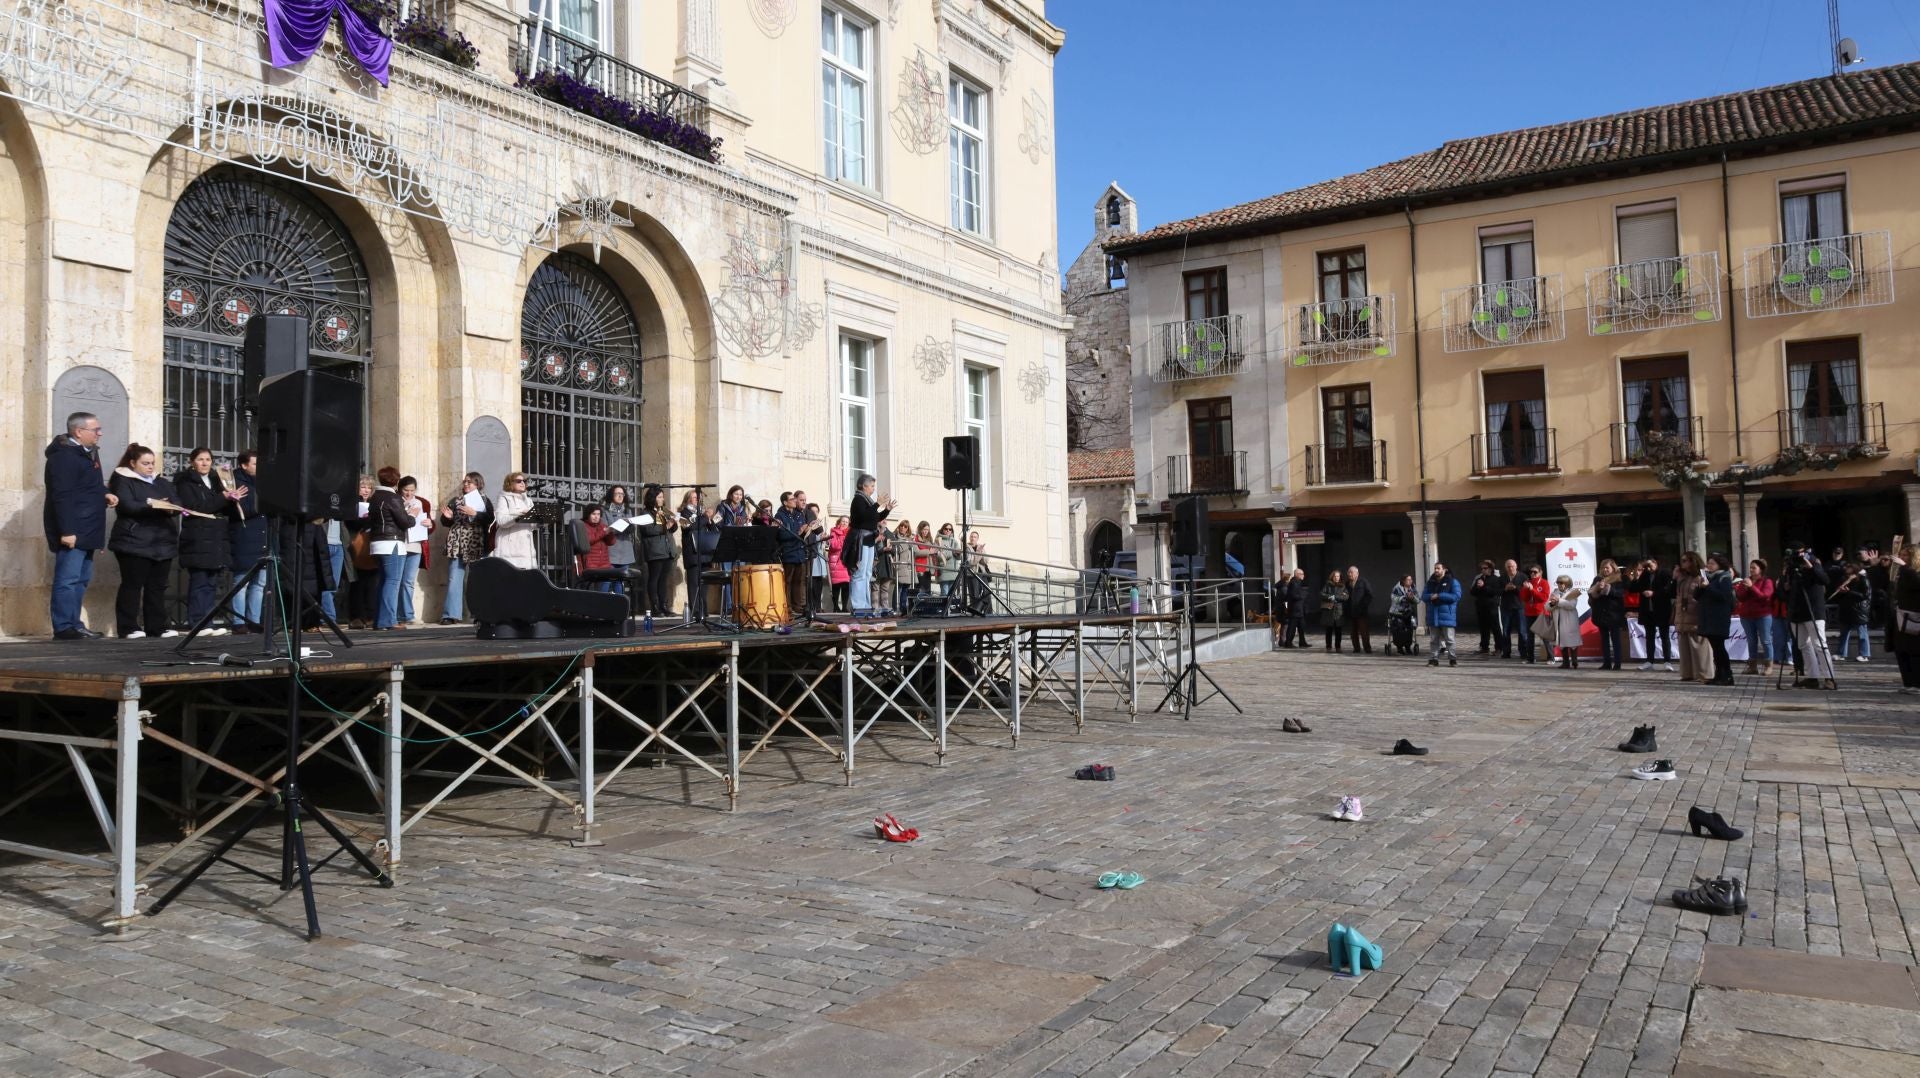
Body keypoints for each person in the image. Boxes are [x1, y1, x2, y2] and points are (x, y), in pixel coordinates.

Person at [43, 412, 117, 639]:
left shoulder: (87, 453)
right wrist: (67, 531)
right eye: (96, 430)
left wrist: (105, 493)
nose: (100, 433)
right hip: (74, 529)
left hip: (88, 527)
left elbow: (86, 487)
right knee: (68, 580)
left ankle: (74, 624)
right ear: (78, 431)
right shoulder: (63, 457)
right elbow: (62, 496)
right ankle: (64, 626)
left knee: (81, 579)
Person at [106, 444, 180, 640]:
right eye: (145, 463)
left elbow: (176, 500)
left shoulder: (161, 481)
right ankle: (128, 627)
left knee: (157, 586)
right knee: (132, 585)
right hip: (133, 542)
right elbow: (127, 505)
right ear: (133, 463)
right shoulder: (122, 480)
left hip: (162, 541)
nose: (150, 467)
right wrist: (153, 505)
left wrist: (171, 507)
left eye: (152, 463)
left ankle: (157, 627)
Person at [172, 447, 243, 636]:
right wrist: (223, 498)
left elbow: (222, 507)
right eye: (200, 459)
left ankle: (208, 620)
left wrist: (233, 500)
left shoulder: (216, 481)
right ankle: (197, 621)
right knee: (199, 581)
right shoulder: (185, 482)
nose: (205, 463)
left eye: (208, 460)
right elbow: (197, 507)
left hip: (216, 538)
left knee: (212, 582)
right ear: (192, 462)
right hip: (198, 538)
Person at [439, 472, 494, 623]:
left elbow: (490, 519)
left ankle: (479, 614)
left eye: (470, 482)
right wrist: (446, 517)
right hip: (457, 541)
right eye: (465, 482)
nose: (466, 484)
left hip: (476, 541)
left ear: (478, 484)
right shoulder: (455, 500)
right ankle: (451, 615)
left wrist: (475, 513)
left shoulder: (484, 500)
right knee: (454, 578)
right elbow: (446, 522)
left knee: (477, 579)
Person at [1783, 543, 1835, 689]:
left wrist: (1810, 567)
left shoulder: (1814, 562)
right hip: (1797, 611)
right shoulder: (1792, 567)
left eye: (1800, 553)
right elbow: (1785, 589)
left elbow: (1825, 580)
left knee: (1819, 644)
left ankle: (1829, 677)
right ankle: (1812, 677)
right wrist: (1785, 585)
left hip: (1814, 611)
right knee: (1803, 645)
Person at [226, 450, 266, 632]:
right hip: (244, 538)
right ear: (244, 465)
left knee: (259, 584)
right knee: (242, 582)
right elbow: (242, 511)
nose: (259, 467)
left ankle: (254, 620)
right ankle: (238, 621)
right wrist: (265, 503)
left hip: (264, 539)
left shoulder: (264, 482)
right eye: (255, 464)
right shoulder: (235, 483)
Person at [843, 474, 894, 613]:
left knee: (866, 574)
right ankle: (858, 605)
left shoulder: (867, 501)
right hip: (860, 540)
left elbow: (875, 518)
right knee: (859, 573)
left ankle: (864, 605)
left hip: (869, 540)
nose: (873, 489)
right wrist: (877, 504)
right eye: (871, 486)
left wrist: (887, 510)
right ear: (864, 486)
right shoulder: (858, 500)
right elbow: (864, 516)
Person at [342, 475, 381, 628]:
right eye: (363, 487)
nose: (366, 490)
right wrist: (368, 519)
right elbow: (351, 522)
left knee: (372, 583)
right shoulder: (351, 504)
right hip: (354, 546)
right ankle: (356, 616)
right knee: (356, 582)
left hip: (371, 546)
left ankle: (371, 615)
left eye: (369, 488)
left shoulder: (374, 503)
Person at [636, 483, 679, 616]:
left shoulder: (664, 511)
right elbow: (648, 530)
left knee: (663, 579)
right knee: (654, 578)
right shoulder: (645, 513)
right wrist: (667, 526)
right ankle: (654, 607)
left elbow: (670, 529)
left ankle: (664, 606)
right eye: (659, 497)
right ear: (653, 498)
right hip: (655, 550)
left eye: (662, 497)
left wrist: (673, 523)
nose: (662, 499)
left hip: (667, 549)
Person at [678, 489, 721, 620]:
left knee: (704, 584)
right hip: (693, 553)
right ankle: (695, 612)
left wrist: (710, 520)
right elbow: (691, 527)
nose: (697, 499)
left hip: (705, 553)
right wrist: (704, 517)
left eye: (698, 497)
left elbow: (713, 530)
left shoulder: (702, 513)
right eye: (694, 497)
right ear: (688, 499)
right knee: (693, 584)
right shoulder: (684, 512)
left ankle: (703, 610)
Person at [1697, 552, 1738, 685]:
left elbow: (1724, 596)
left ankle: (1727, 675)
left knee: (1719, 647)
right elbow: (1697, 596)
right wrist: (1700, 586)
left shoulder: (1724, 577)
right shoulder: (1708, 578)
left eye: (1712, 563)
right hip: (1708, 617)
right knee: (1715, 647)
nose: (1709, 566)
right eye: (1708, 563)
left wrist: (1708, 587)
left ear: (1719, 565)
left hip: (1719, 617)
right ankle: (1718, 674)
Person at [1673, 552, 1712, 684]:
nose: (1682, 563)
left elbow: (1706, 594)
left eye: (1685, 561)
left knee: (1699, 646)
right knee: (1684, 647)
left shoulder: (1701, 576)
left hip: (1696, 614)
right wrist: (1674, 578)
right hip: (1682, 615)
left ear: (1692, 561)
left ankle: (1704, 673)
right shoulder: (1682, 577)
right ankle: (1687, 673)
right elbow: (1673, 593)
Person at [1888, 539, 1919, 694]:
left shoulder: (1913, 572)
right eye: (1901, 555)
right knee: (1901, 651)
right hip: (1900, 615)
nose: (1903, 558)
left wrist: (1905, 567)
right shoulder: (1903, 573)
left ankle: (1916, 684)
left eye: (1906, 555)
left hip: (1914, 617)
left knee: (1914, 652)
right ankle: (1908, 683)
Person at [1733, 559, 1775, 675]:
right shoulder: (1746, 581)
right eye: (1750, 567)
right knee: (1751, 641)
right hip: (1747, 615)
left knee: (1766, 640)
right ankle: (1752, 666)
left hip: (1763, 615)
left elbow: (1765, 597)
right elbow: (1741, 597)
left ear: (1760, 569)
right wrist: (1745, 589)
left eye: (1754, 568)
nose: (1751, 570)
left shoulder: (1767, 581)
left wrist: (1752, 587)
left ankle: (1768, 665)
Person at [774, 491, 812, 617]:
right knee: (787, 581)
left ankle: (798, 605)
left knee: (799, 581)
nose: (795, 501)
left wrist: (806, 530)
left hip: (799, 551)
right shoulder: (780, 516)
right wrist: (799, 531)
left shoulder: (798, 515)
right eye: (792, 499)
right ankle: (787, 606)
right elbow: (782, 534)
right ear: (785, 502)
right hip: (788, 552)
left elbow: (801, 533)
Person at [492, 472, 538, 571]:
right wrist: (519, 516)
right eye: (518, 481)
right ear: (510, 483)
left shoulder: (528, 501)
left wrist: (539, 520)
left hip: (526, 548)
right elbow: (501, 521)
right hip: (509, 548)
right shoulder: (503, 498)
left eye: (524, 481)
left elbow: (532, 526)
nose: (522, 483)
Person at [1587, 560, 1625, 670]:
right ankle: (1606, 662)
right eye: (1603, 567)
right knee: (1604, 640)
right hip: (1601, 614)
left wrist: (1608, 588)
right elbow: (1590, 593)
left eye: (1607, 567)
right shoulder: (1598, 579)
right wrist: (1597, 588)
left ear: (1613, 568)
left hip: (1614, 614)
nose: (1605, 569)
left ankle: (1617, 663)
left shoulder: (1618, 578)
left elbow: (1621, 593)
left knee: (1616, 639)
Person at [599, 485, 636, 599]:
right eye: (617, 494)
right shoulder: (604, 510)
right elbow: (605, 529)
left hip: (625, 551)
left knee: (620, 582)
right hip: (611, 551)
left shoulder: (627, 510)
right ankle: (601, 607)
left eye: (622, 494)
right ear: (611, 495)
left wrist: (627, 524)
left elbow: (632, 528)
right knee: (606, 581)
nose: (620, 496)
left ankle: (619, 608)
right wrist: (618, 526)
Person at [1422, 562, 1462, 666]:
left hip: (1447, 615)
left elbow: (1456, 596)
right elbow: (1424, 596)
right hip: (1433, 615)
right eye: (1435, 568)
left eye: (1438, 568)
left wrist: (1439, 596)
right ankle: (1433, 659)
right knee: (1434, 640)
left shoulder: (1453, 582)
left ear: (1444, 570)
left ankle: (1452, 659)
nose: (1436, 570)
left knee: (1450, 639)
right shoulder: (1430, 582)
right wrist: (1431, 596)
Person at [1833, 560, 1873, 662]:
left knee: (1862, 633)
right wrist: (1841, 591)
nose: (1846, 569)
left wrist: (1849, 592)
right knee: (1844, 633)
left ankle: (1864, 654)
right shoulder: (1844, 579)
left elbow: (1865, 595)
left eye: (1849, 567)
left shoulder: (1863, 579)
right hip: (1846, 609)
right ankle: (1841, 653)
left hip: (1859, 611)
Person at [1639, 556, 1675, 671]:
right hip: (1647, 610)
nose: (1648, 569)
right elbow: (1635, 587)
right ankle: (1649, 660)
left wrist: (1654, 593)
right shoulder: (1645, 574)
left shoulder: (1664, 573)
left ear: (1655, 563)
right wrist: (1638, 575)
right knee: (1649, 636)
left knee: (1664, 636)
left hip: (1661, 609)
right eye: (1646, 567)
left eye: (1649, 565)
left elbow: (1669, 590)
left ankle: (1667, 661)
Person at [1770, 559, 1800, 678]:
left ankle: (1789, 657)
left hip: (1787, 611)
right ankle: (1778, 657)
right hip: (1777, 611)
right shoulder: (1779, 580)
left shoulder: (1792, 580)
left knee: (1789, 637)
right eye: (1784, 568)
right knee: (1778, 636)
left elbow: (1785, 595)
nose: (1784, 571)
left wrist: (1779, 589)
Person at [578, 504, 618, 588]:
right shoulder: (583, 526)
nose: (596, 517)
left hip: (605, 565)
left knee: (603, 591)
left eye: (598, 514)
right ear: (588, 514)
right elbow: (588, 540)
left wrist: (610, 533)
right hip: (591, 565)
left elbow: (611, 542)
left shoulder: (603, 526)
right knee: (591, 592)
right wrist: (604, 532)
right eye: (593, 514)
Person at [1470, 560, 1505, 654]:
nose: (1483, 570)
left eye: (1485, 568)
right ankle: (1484, 647)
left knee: (1495, 627)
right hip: (1481, 606)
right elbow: (1472, 592)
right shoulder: (1479, 578)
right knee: (1483, 628)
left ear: (1490, 569)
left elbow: (1497, 592)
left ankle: (1499, 647)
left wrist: (1484, 586)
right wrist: (1477, 587)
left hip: (1492, 606)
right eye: (1481, 568)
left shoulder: (1495, 579)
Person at [1549, 574, 1583, 669]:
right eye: (1558, 582)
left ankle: (1575, 661)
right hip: (1558, 620)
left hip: (1570, 621)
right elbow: (1547, 606)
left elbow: (1572, 605)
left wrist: (1558, 601)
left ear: (1567, 583)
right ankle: (1566, 662)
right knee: (1562, 642)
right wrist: (1552, 603)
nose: (1559, 584)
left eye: (1561, 582)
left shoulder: (1573, 592)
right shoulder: (1554, 592)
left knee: (1572, 642)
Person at [1517, 564, 1549, 664]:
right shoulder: (1528, 583)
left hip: (1540, 612)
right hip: (1529, 612)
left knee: (1544, 636)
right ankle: (1530, 658)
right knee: (1530, 637)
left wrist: (1532, 590)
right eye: (1531, 572)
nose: (1532, 574)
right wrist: (1526, 589)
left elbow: (1543, 598)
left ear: (1540, 573)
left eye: (1535, 572)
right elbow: (1524, 598)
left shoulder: (1544, 583)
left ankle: (1551, 657)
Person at [1497, 558, 1524, 659]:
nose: (1510, 568)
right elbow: (1497, 591)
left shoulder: (1522, 576)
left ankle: (1523, 652)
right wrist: (1505, 589)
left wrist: (1516, 588)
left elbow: (1526, 591)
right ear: (1505, 568)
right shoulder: (1502, 578)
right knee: (1506, 631)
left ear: (1516, 567)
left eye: (1512, 566)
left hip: (1519, 607)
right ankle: (1506, 652)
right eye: (1508, 567)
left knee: (1522, 631)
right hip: (1506, 607)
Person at [1344, 566, 1375, 654]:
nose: (1349, 574)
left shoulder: (1363, 582)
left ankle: (1367, 648)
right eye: (1348, 572)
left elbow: (1369, 595)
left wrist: (1363, 605)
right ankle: (1356, 648)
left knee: (1364, 631)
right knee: (1353, 632)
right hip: (1351, 611)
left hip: (1362, 612)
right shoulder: (1347, 584)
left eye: (1351, 572)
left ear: (1357, 573)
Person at [889, 522, 918, 612]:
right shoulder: (895, 537)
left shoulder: (909, 539)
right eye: (901, 526)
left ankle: (903, 609)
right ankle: (895, 608)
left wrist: (912, 541)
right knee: (898, 587)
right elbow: (897, 550)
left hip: (908, 567)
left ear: (907, 529)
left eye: (905, 527)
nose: (903, 528)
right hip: (900, 566)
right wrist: (908, 543)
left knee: (906, 588)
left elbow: (916, 551)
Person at [1388, 574, 1419, 655]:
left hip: (1408, 612)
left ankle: (1408, 646)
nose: (1410, 581)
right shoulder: (1397, 588)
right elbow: (1393, 598)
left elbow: (1418, 600)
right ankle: (1399, 647)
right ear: (1403, 581)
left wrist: (1412, 598)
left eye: (1411, 579)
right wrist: (1404, 598)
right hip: (1397, 612)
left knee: (1409, 629)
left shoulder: (1413, 588)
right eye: (1408, 580)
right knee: (1399, 629)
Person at [1319, 570, 1349, 652]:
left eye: (1338, 576)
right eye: (1335, 576)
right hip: (1329, 611)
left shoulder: (1343, 586)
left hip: (1339, 611)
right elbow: (1322, 594)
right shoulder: (1328, 585)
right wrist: (1329, 597)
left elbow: (1346, 597)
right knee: (1328, 631)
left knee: (1338, 631)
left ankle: (1338, 647)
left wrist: (1336, 597)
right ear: (1332, 577)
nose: (1337, 578)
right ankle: (1328, 647)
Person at [1282, 567, 1310, 647]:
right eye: (1302, 574)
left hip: (1299, 609)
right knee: (1292, 627)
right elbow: (1293, 595)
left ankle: (1302, 642)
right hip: (1295, 609)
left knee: (1301, 627)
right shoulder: (1294, 583)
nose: (1303, 575)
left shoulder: (1298, 582)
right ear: (1297, 575)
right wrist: (1303, 596)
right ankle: (1288, 642)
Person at [827, 517, 851, 612]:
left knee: (846, 585)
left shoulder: (850, 533)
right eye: (843, 521)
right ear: (839, 522)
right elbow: (834, 546)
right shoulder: (834, 532)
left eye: (846, 522)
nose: (844, 523)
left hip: (846, 562)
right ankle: (836, 607)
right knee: (836, 585)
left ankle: (845, 607)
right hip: (836, 562)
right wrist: (843, 538)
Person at [936, 523, 961, 597]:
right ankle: (944, 609)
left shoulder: (954, 541)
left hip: (953, 571)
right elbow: (939, 555)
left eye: (950, 529)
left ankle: (949, 608)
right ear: (942, 530)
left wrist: (958, 554)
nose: (948, 531)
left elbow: (958, 557)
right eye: (946, 529)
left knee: (951, 595)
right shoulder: (938, 540)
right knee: (944, 594)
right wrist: (951, 552)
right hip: (944, 570)